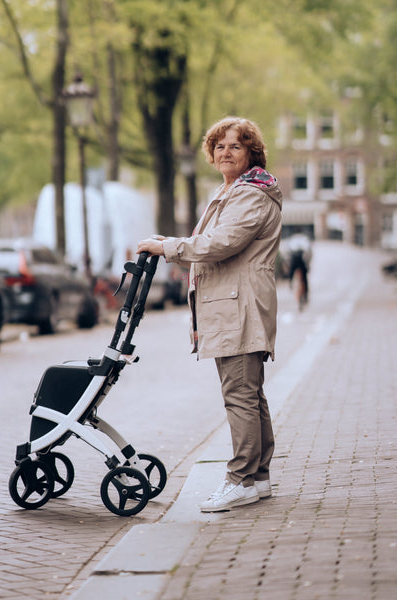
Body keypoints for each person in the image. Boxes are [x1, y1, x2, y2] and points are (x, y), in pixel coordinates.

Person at [137, 116, 283, 512]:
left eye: (235, 145)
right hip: (232, 305)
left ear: (252, 151)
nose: (225, 152)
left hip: (239, 307)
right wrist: (172, 242)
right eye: (219, 145)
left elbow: (222, 242)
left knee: (239, 395)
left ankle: (240, 479)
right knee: (250, 395)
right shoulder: (234, 190)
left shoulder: (251, 194)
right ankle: (258, 477)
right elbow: (211, 241)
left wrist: (169, 248)